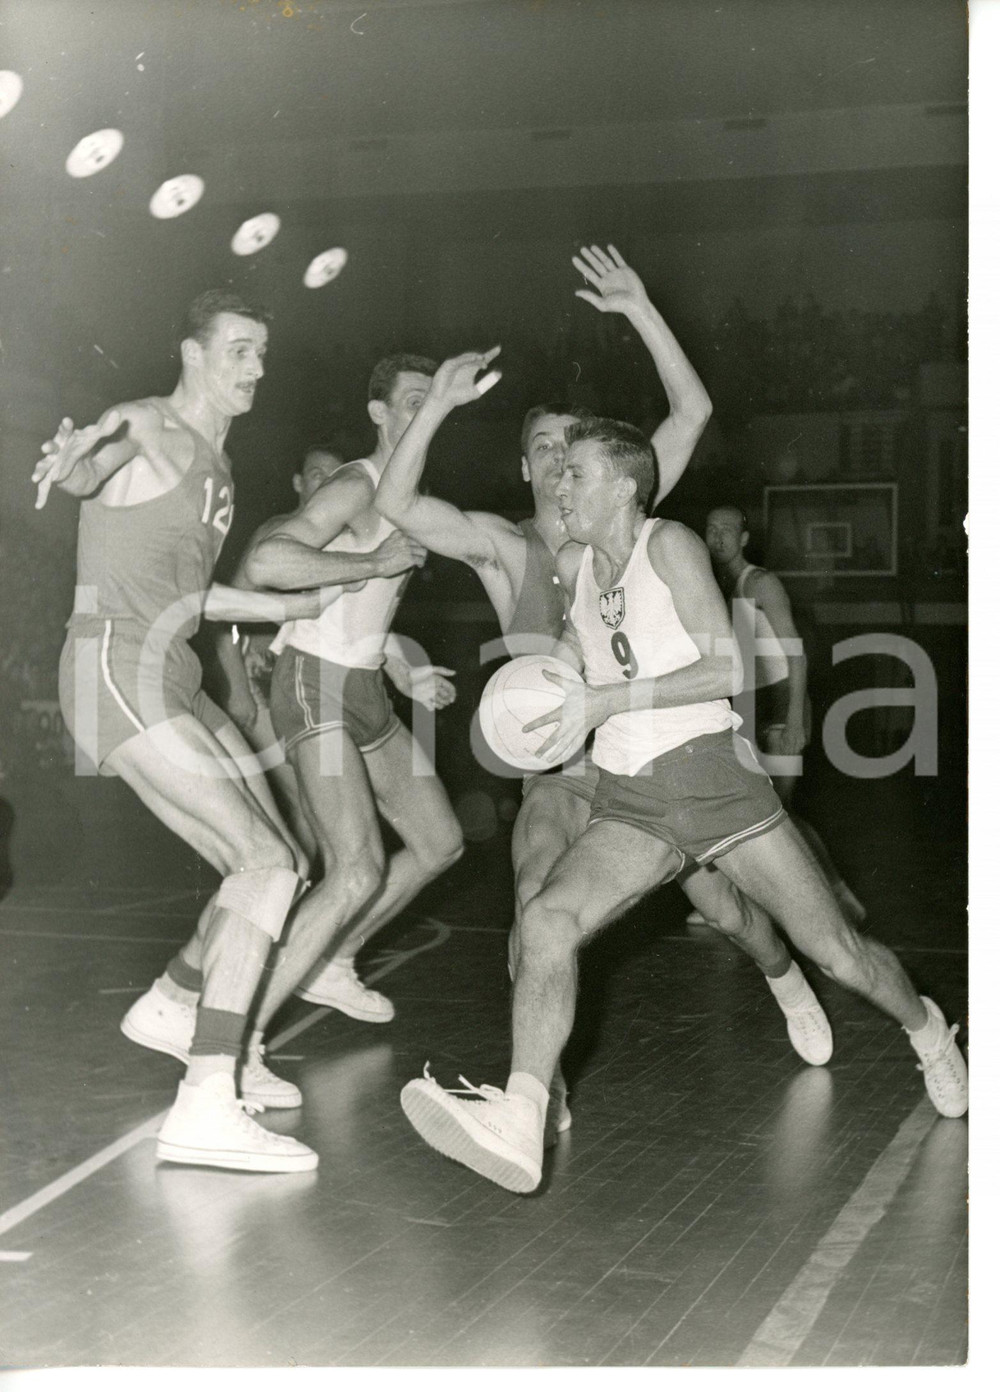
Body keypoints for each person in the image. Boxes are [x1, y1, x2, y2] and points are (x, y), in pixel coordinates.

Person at [399, 415, 967, 1194]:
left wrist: (604, 700)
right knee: (545, 918)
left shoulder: (668, 545)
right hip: (632, 800)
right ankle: (523, 1113)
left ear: (625, 489)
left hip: (712, 783)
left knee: (839, 953)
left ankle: (929, 1032)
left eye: (577, 475)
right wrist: (534, 699)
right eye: (556, 474)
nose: (559, 486)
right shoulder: (585, 571)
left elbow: (726, 664)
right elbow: (572, 652)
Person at [378, 246, 833, 1148]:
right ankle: (531, 1096)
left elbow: (692, 410)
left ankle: (784, 976)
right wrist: (434, 407)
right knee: (535, 902)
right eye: (540, 450)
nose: (556, 464)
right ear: (523, 469)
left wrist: (638, 307)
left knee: (733, 911)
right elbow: (397, 504)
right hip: (561, 767)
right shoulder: (502, 546)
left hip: (654, 756)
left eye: (568, 450)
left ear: (594, 468)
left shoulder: (619, 522)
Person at [32, 289, 352, 1173]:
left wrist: (291, 603)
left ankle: (177, 1002)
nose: (256, 368)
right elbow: (96, 460)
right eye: (240, 350)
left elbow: (193, 593)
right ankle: (208, 1097)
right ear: (192, 354)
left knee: (278, 852)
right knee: (267, 863)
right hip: (116, 663)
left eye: (262, 353)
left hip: (170, 665)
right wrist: (73, 461)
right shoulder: (149, 424)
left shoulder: (218, 463)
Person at [702, 504, 865, 921]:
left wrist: (794, 719)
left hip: (780, 700)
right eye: (711, 529)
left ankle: (840, 897)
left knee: (781, 813)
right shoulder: (709, 588)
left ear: (743, 539)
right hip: (745, 705)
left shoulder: (760, 583)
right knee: (737, 809)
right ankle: (732, 901)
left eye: (727, 530)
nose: (718, 537)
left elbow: (797, 654)